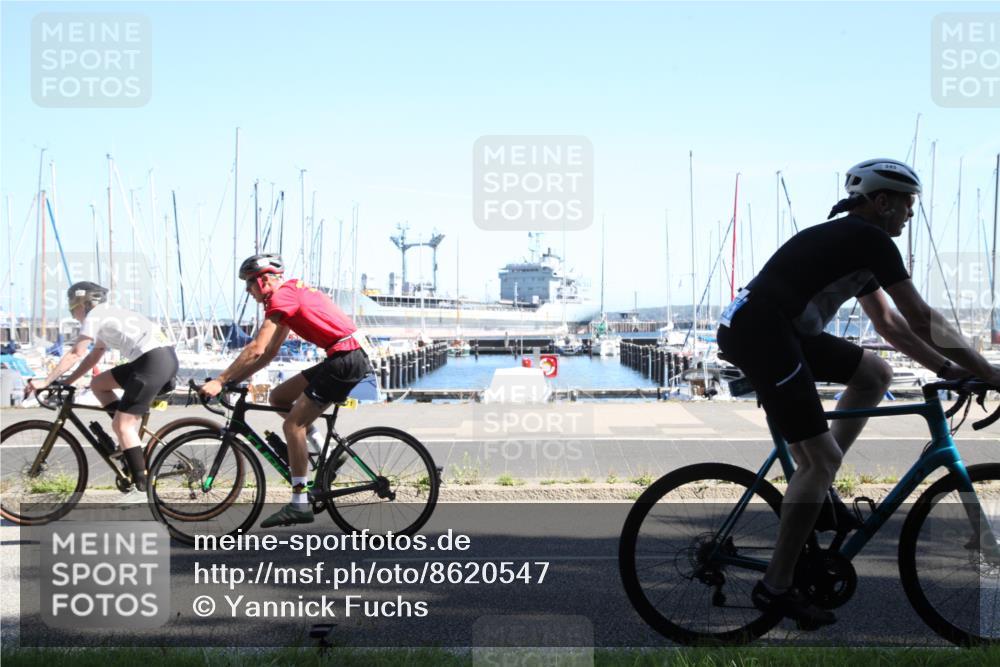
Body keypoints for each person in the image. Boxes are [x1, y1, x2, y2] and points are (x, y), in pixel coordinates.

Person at [716, 158, 1000, 627]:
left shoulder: (859, 245)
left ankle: (819, 485)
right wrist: (987, 371)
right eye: (907, 203)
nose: (910, 213)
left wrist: (950, 369)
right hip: (761, 330)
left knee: (876, 374)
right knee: (819, 458)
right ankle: (777, 586)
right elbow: (922, 317)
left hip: (781, 329)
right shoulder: (868, 238)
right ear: (881, 201)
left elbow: (892, 326)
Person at [199, 254, 371, 528]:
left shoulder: (282, 299)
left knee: (293, 426)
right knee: (279, 397)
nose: (247, 291)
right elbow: (267, 355)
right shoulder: (289, 297)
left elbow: (256, 347)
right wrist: (234, 379)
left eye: (249, 284)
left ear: (264, 280)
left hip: (344, 360)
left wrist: (220, 380)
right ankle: (325, 457)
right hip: (342, 357)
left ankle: (299, 503)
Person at [25, 282, 179, 500]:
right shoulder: (108, 314)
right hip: (155, 359)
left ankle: (142, 489)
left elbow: (77, 352)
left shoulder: (95, 315)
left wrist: (46, 381)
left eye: (72, 306)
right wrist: (68, 381)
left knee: (121, 425)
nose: (72, 312)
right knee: (99, 384)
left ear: (83, 303)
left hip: (151, 362)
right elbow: (93, 356)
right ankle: (129, 447)